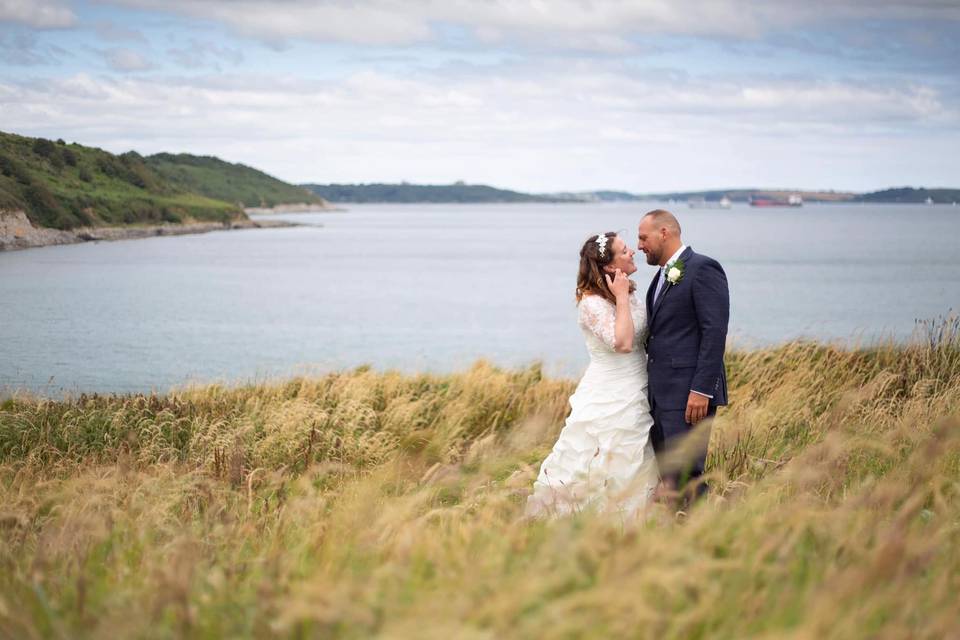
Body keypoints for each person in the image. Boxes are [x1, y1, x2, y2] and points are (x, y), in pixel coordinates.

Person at [525, 232, 659, 518]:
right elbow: (622, 343)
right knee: (600, 455)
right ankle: (593, 517)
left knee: (640, 455)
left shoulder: (632, 293)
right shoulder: (592, 304)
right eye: (624, 251)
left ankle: (640, 519)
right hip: (610, 391)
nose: (633, 251)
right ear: (610, 267)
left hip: (641, 384)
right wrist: (621, 297)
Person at [637, 209, 729, 504]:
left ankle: (702, 536)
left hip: (689, 396)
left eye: (643, 237)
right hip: (661, 397)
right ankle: (677, 537)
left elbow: (714, 332)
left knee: (688, 475)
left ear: (664, 232)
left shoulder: (703, 268)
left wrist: (701, 389)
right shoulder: (660, 278)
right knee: (669, 478)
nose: (639, 246)